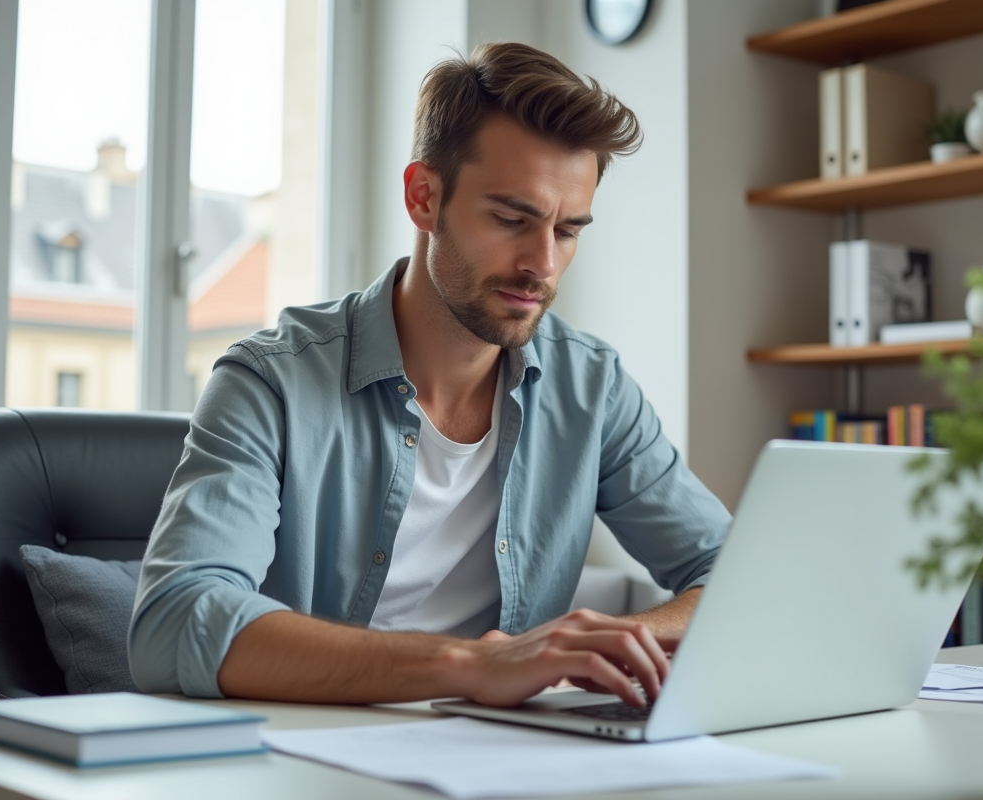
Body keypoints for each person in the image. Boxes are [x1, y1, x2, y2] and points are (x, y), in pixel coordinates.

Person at [129, 42, 730, 710]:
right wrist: (472, 665)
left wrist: (608, 644)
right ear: (424, 197)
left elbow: (742, 574)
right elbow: (175, 622)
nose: (544, 264)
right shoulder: (270, 383)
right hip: (305, 759)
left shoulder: (592, 389)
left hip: (502, 757)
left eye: (567, 231)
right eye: (511, 219)